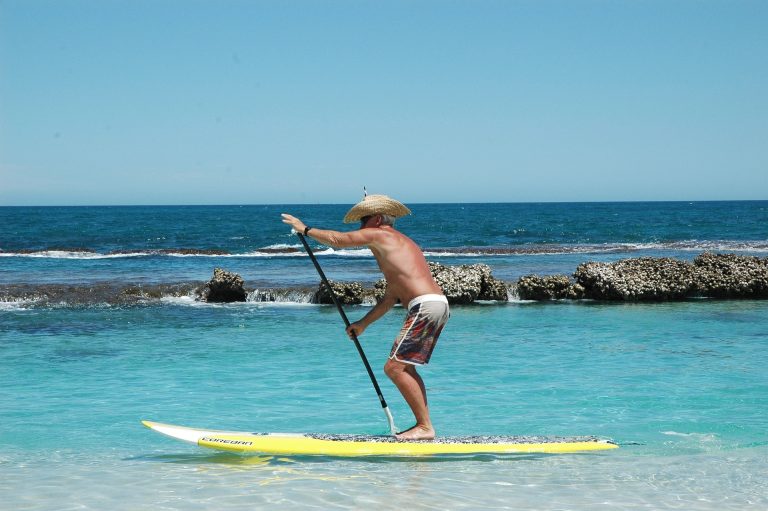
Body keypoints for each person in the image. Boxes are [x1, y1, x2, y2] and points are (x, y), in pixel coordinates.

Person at [281, 194, 449, 440]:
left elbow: (339, 240)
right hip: (434, 305)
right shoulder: (400, 245)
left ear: (379, 219)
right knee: (403, 368)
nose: (360, 228)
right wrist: (362, 324)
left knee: (395, 368)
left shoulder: (382, 234)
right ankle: (424, 425)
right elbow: (390, 298)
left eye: (364, 221)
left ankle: (424, 427)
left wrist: (305, 229)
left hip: (425, 306)